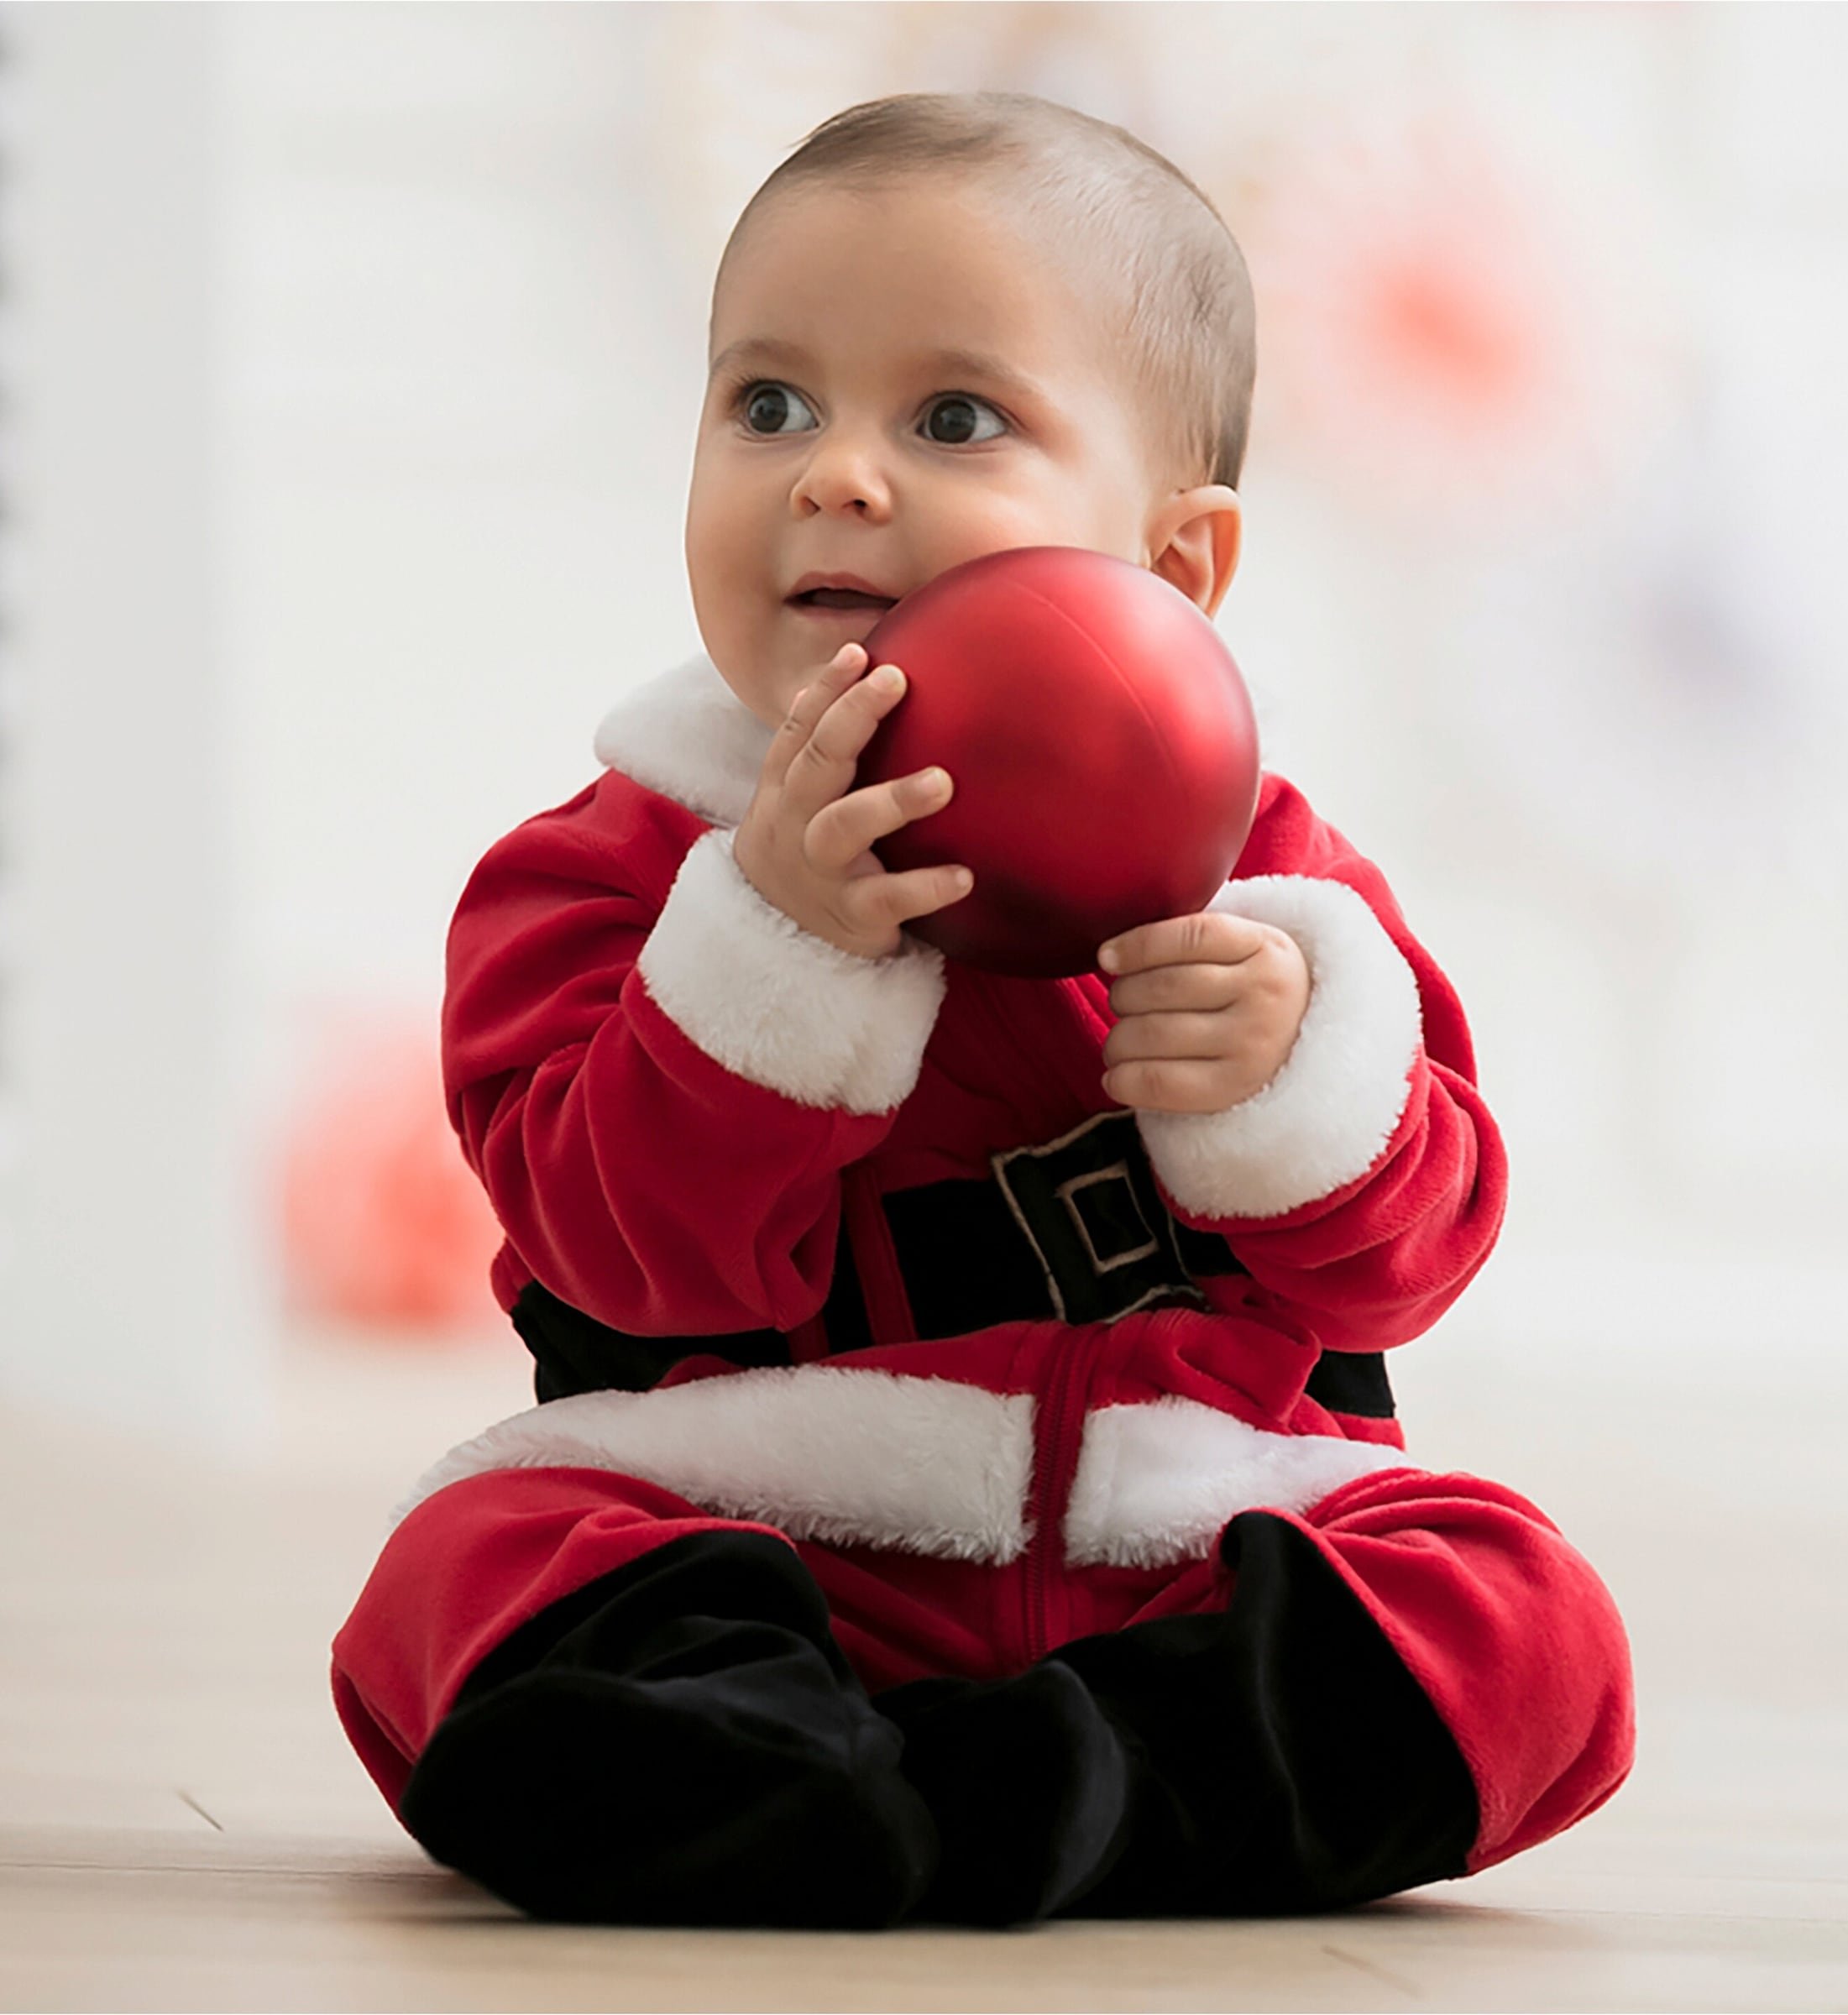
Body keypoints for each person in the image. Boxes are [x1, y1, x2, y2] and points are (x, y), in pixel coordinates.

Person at [331, 90, 1634, 1929]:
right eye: (766, 402)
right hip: (762, 1527)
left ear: (1173, 568)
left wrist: (1295, 1094)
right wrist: (766, 954)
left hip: (1169, 1541)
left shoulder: (1270, 886)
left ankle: (1066, 1783)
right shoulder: (607, 878)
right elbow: (617, 1262)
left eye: (952, 418)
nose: (830, 472)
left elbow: (1400, 1271)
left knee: (1523, 1625)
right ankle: (787, 1768)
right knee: (463, 1577)